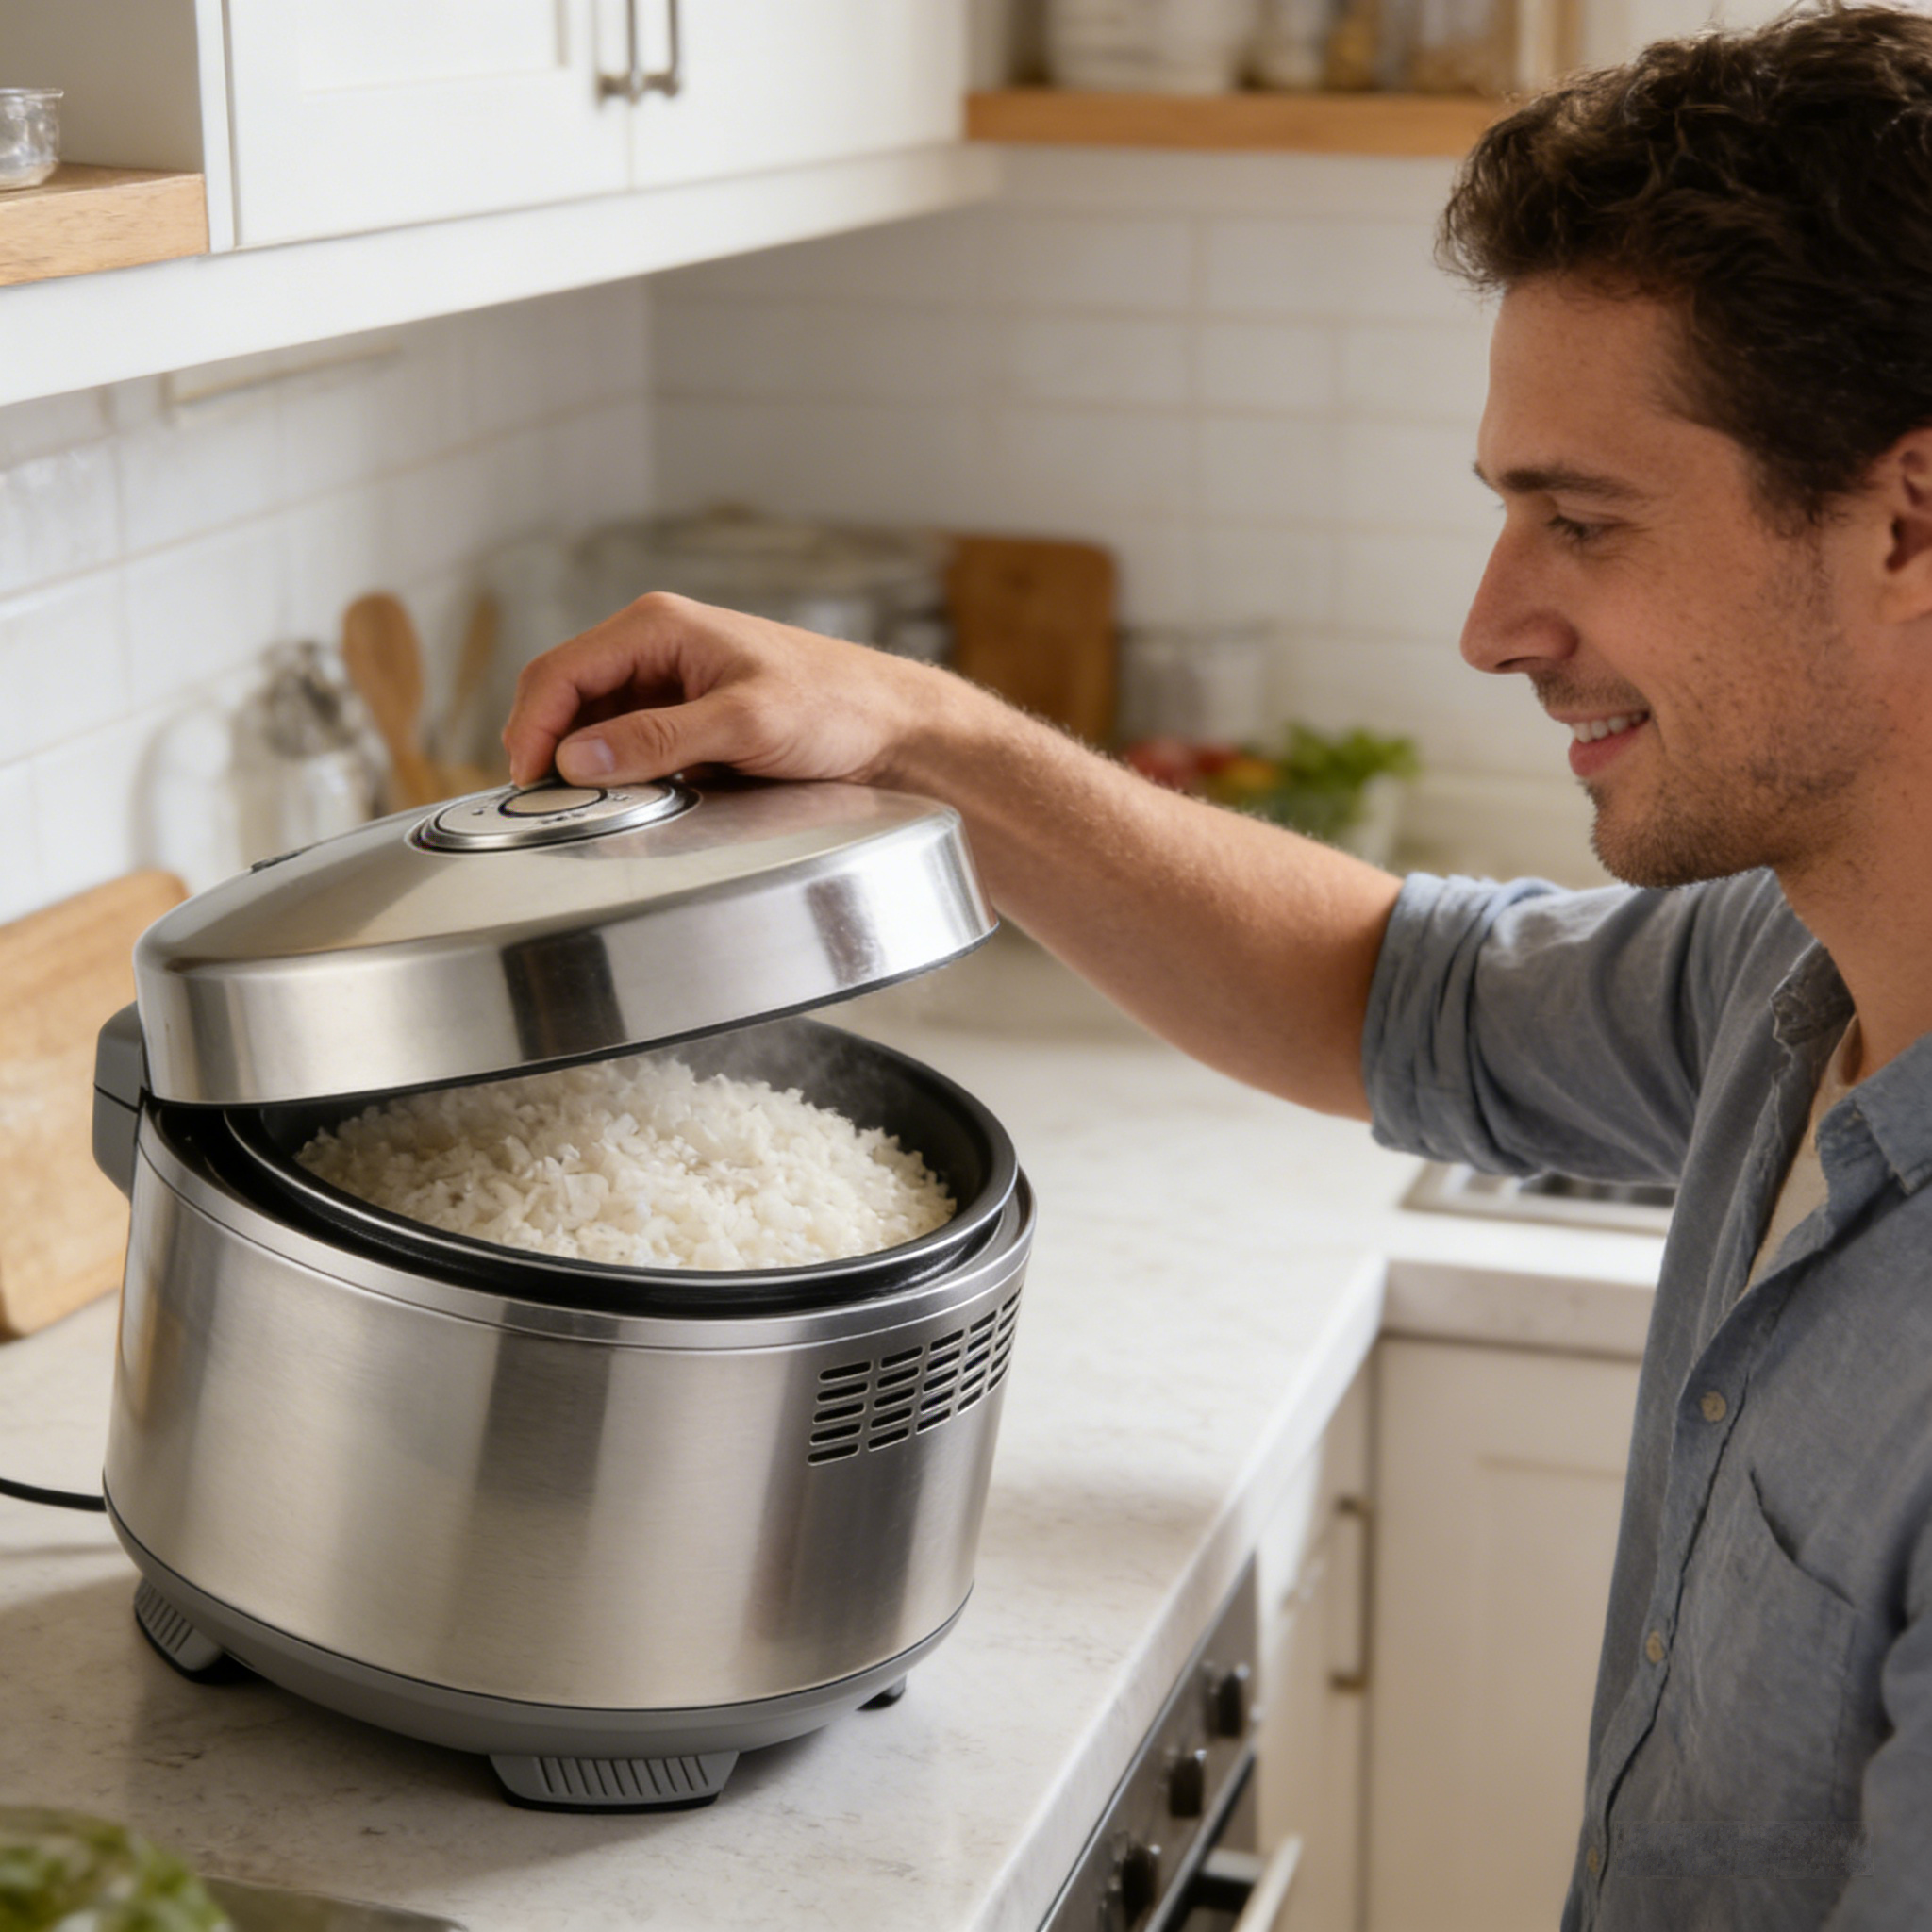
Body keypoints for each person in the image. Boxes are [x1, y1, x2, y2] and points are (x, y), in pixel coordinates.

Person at [505, 7, 1932, 1924]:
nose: (1492, 623)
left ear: (1906, 522)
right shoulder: (1799, 963)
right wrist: (913, 729)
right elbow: (1379, 991)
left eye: (1578, 521)